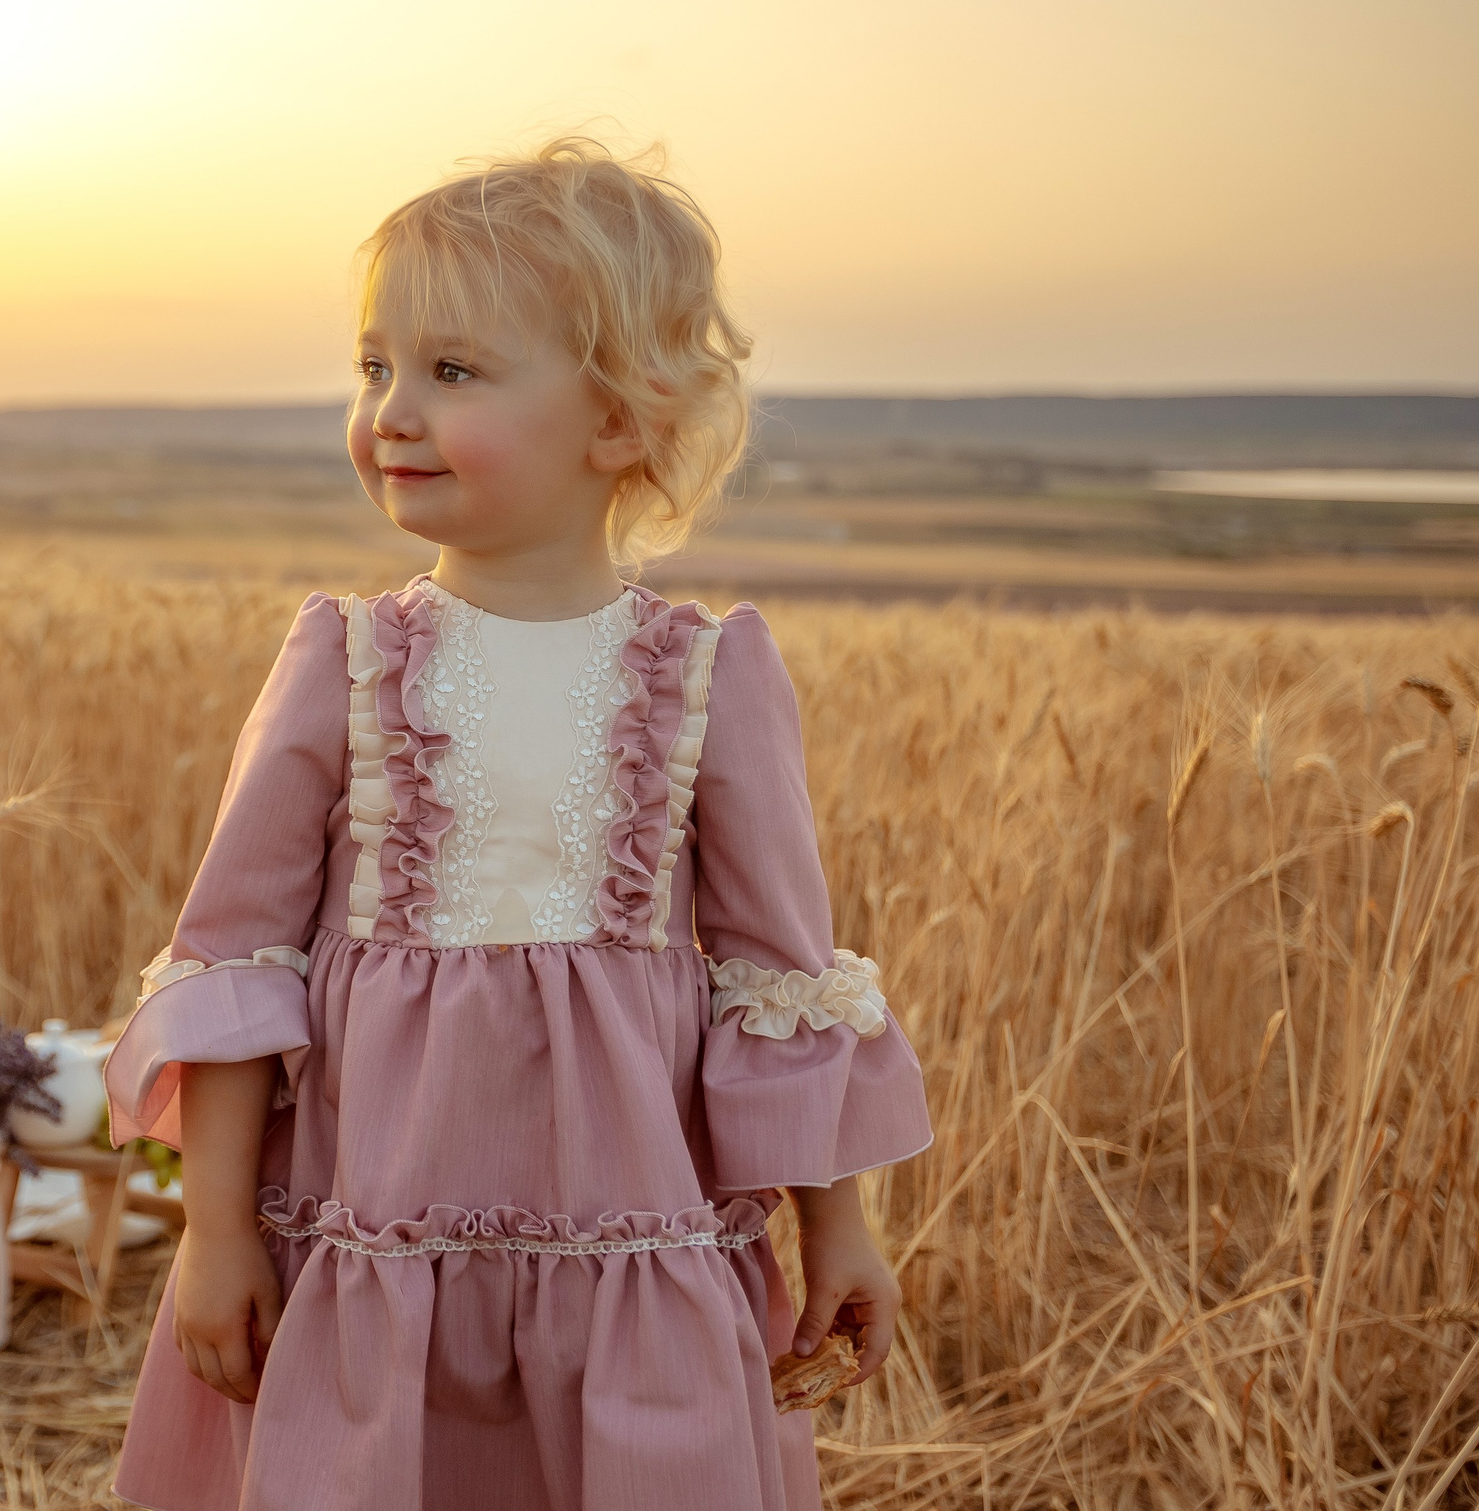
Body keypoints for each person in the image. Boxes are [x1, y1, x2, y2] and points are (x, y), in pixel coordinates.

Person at [100, 136, 933, 1511]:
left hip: (633, 1263)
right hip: (373, 1255)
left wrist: (838, 1228)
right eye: (375, 367)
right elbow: (236, 967)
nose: (393, 411)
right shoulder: (349, 663)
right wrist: (213, 1233)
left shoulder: (708, 677)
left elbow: (780, 981)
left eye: (456, 372)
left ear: (622, 420)